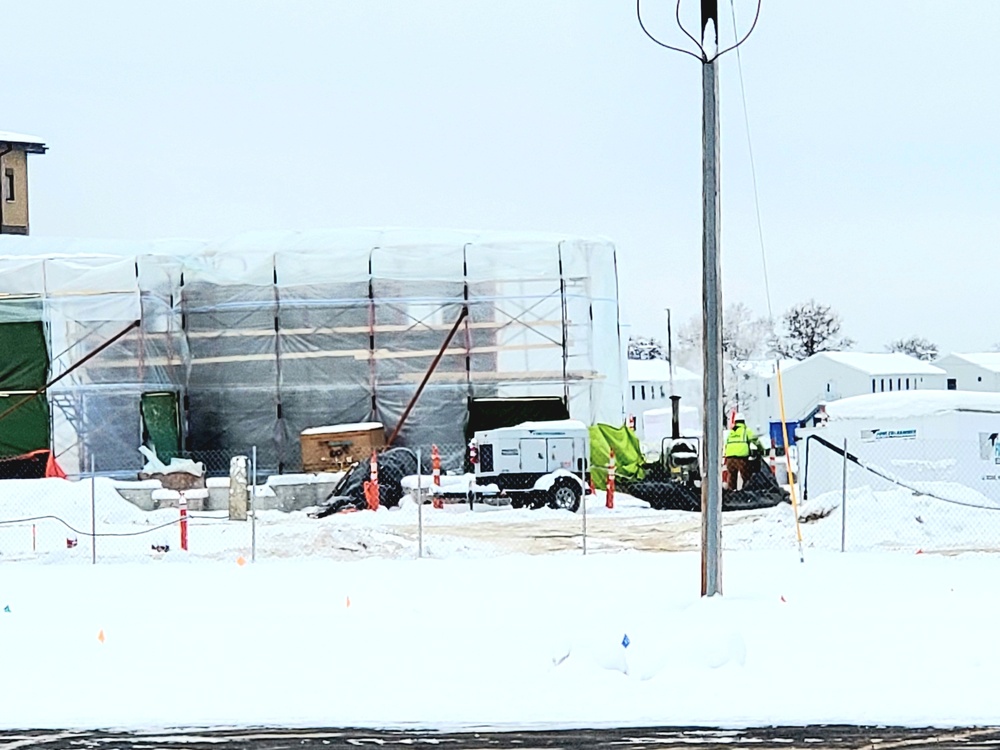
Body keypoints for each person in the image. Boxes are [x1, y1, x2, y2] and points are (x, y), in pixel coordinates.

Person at [724, 412, 765, 491]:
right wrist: (761, 449)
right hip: (741, 458)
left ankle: (731, 494)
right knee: (746, 477)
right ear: (743, 422)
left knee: (732, 478)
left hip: (729, 459)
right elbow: (755, 440)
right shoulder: (746, 430)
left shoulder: (731, 432)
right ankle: (746, 492)